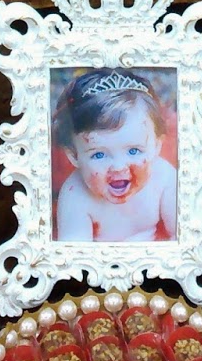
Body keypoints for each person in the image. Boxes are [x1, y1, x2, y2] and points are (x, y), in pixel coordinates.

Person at [53, 69, 177, 242]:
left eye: (133, 151)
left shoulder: (164, 178)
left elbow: (184, 238)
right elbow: (74, 254)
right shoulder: (76, 196)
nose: (119, 167)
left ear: (156, 147)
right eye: (99, 154)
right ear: (74, 155)